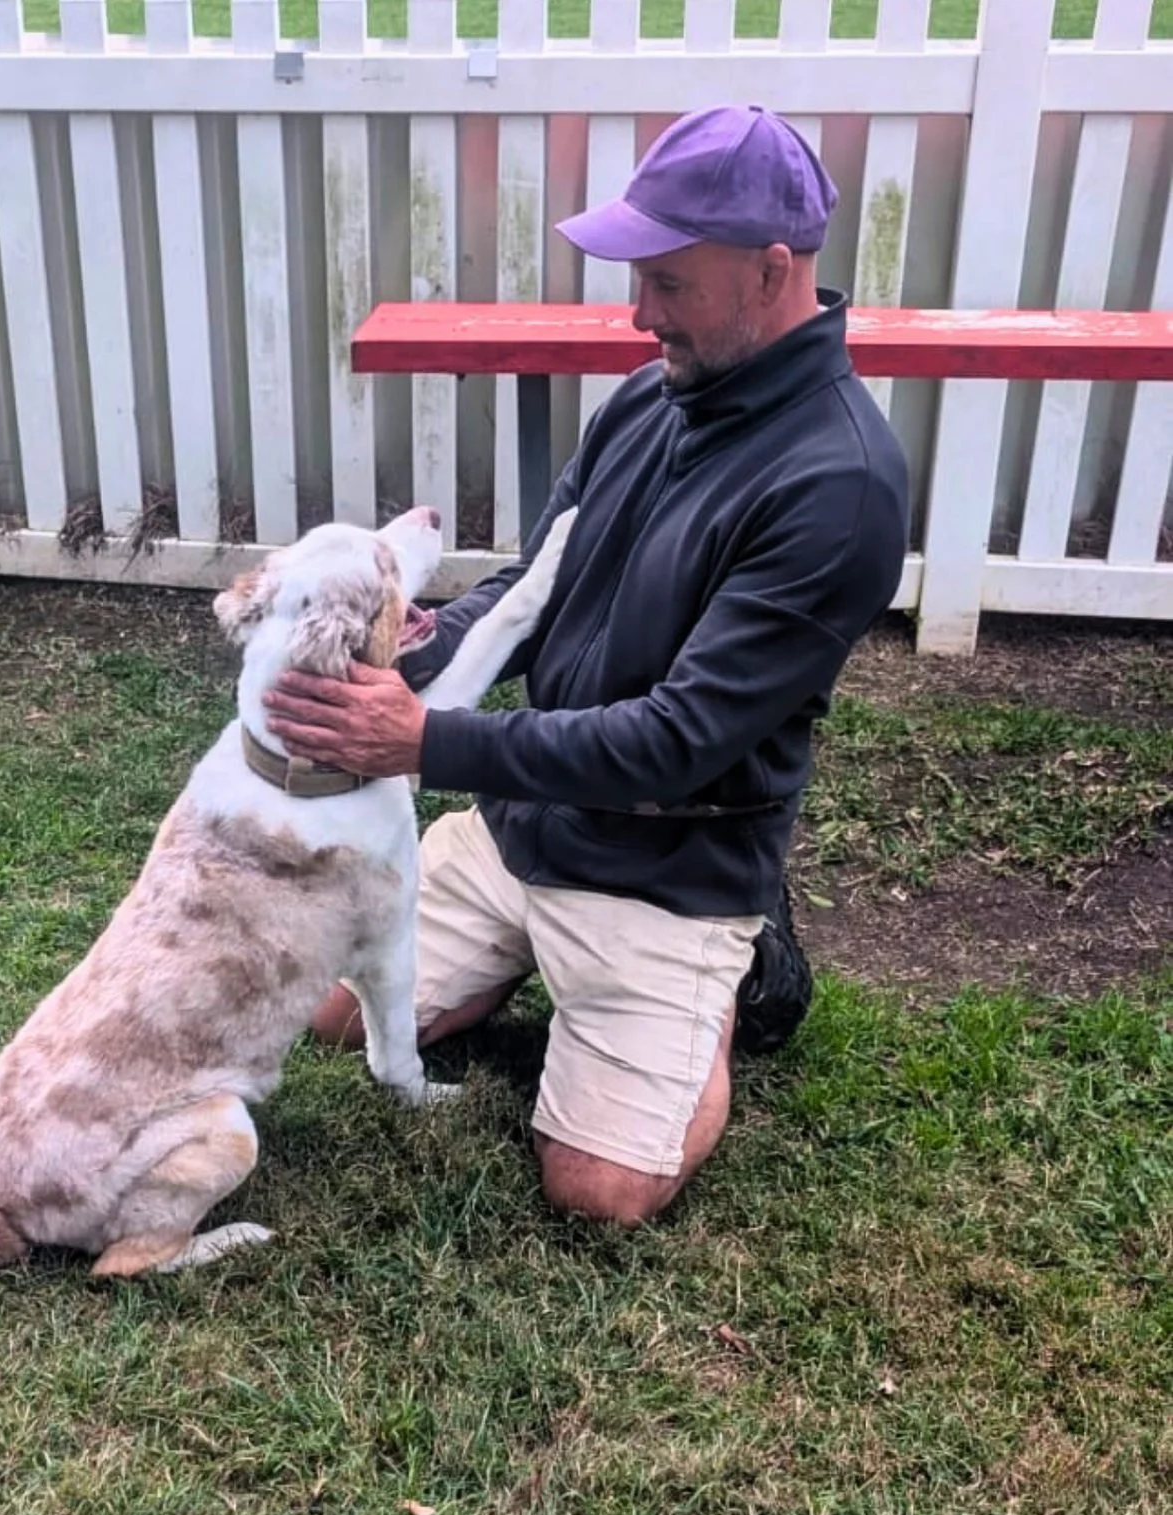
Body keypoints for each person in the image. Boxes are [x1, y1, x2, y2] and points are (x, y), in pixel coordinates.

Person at [264, 104, 910, 1229]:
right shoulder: (651, 398)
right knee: (329, 1014)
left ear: (772, 271)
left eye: (669, 282)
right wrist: (407, 661)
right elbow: (531, 588)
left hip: (670, 863)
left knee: (597, 1191)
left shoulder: (839, 484)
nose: (639, 311)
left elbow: (677, 741)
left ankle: (727, 981)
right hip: (526, 822)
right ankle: (526, 953)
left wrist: (423, 741)